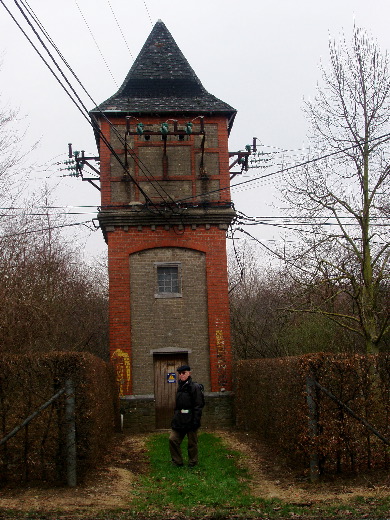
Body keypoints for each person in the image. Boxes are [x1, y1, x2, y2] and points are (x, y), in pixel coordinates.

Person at [169, 365, 204, 467]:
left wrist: (196, 421)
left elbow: (198, 405)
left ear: (189, 373)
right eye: (179, 373)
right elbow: (177, 405)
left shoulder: (195, 387)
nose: (181, 375)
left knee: (192, 443)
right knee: (173, 439)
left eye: (183, 373)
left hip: (191, 419)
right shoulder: (180, 387)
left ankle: (193, 462)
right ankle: (177, 461)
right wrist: (175, 417)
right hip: (180, 420)